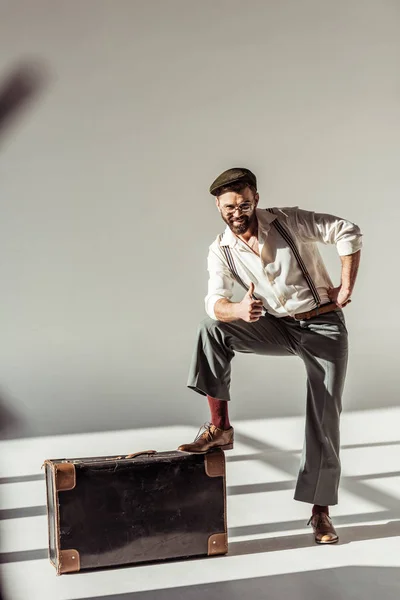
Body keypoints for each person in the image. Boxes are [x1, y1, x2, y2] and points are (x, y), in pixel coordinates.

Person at [178, 167, 362, 544]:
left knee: (324, 415)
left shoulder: (288, 221)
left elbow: (347, 230)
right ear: (218, 206)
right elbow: (214, 302)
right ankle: (220, 428)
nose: (237, 212)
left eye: (244, 204)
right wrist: (239, 311)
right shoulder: (221, 250)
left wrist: (345, 287)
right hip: (277, 327)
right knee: (211, 328)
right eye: (229, 206)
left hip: (322, 325)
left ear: (256, 199)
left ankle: (320, 512)